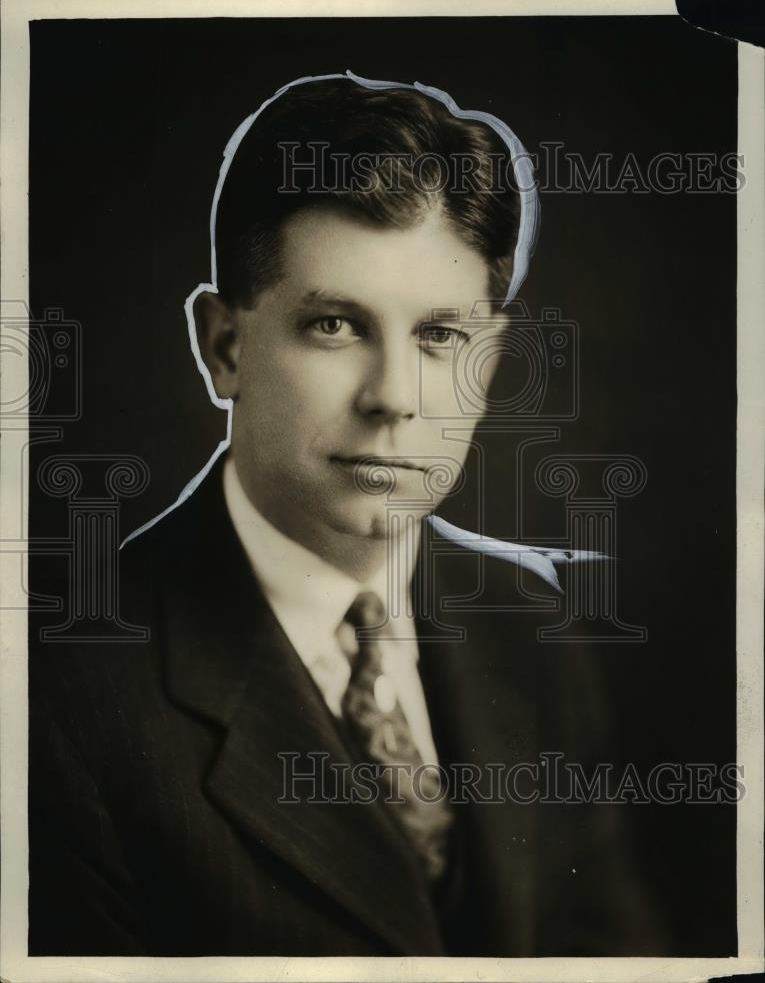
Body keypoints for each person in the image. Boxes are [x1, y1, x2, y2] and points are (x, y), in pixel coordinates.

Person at [28, 74, 661, 956]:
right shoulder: (56, 702)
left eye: (440, 336)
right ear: (224, 347)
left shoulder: (534, 628)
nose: (393, 398)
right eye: (333, 325)